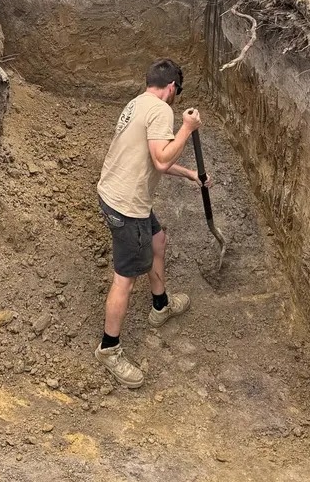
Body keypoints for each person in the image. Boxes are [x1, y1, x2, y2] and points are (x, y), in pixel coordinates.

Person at [94, 58, 208, 388]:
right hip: (127, 206)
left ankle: (160, 305)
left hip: (119, 193)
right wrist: (187, 128)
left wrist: (188, 173)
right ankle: (109, 348)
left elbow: (153, 160)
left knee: (158, 241)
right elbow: (161, 156)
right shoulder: (161, 111)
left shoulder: (136, 104)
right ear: (172, 87)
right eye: (178, 91)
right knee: (125, 279)